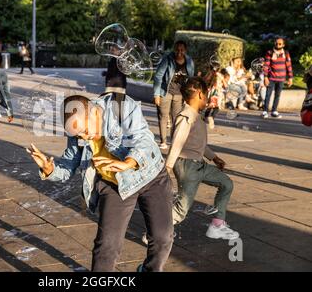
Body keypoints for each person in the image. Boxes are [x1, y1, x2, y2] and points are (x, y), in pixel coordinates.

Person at [27, 94, 174, 272]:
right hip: (115, 185)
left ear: (94, 112)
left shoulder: (121, 107)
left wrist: (128, 162)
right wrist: (49, 169)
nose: (85, 137)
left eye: (86, 130)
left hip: (150, 176)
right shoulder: (79, 130)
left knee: (162, 237)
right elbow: (69, 163)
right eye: (79, 134)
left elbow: (143, 138)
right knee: (107, 245)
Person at [165, 77, 239, 240]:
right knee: (181, 209)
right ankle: (156, 232)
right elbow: (177, 144)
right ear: (199, 94)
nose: (207, 99)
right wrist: (168, 168)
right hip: (187, 166)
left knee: (226, 183)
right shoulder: (186, 116)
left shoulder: (195, 116)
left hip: (199, 165)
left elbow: (199, 145)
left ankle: (217, 225)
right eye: (206, 95)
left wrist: (215, 158)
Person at [153, 40, 195, 150]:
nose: (179, 52)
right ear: (174, 49)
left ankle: (174, 141)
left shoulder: (189, 61)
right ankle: (163, 141)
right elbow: (158, 76)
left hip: (180, 94)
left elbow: (191, 79)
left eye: (182, 50)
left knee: (177, 118)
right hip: (165, 92)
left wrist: (190, 95)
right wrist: (157, 94)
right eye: (177, 49)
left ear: (185, 50)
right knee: (163, 116)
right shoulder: (168, 59)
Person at [262, 37, 294, 119]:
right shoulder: (269, 52)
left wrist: (290, 78)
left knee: (277, 95)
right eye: (276, 43)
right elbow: (266, 65)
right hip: (271, 78)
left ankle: (274, 111)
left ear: (283, 45)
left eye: (280, 44)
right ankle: (265, 111)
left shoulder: (286, 53)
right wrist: (265, 77)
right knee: (268, 95)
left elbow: (289, 66)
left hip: (281, 79)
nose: (278, 45)